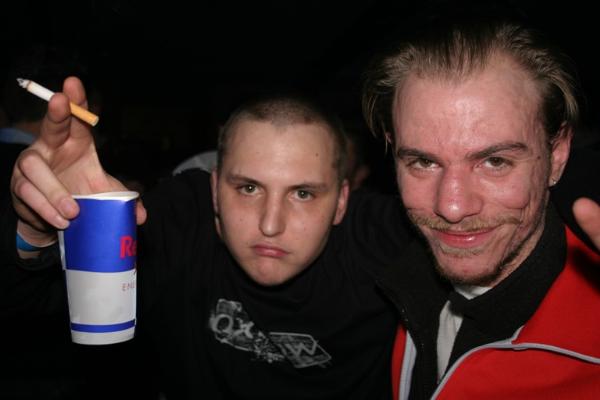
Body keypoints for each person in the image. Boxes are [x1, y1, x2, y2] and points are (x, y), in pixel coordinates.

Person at [2, 90, 415, 399]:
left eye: (303, 194)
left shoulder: (384, 238)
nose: (270, 225)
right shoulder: (181, 219)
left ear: (342, 202)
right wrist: (45, 229)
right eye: (248, 188)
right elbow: (29, 306)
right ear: (215, 190)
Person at [362, 16, 600, 398]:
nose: (453, 207)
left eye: (495, 162)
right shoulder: (382, 267)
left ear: (556, 155)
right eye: (423, 162)